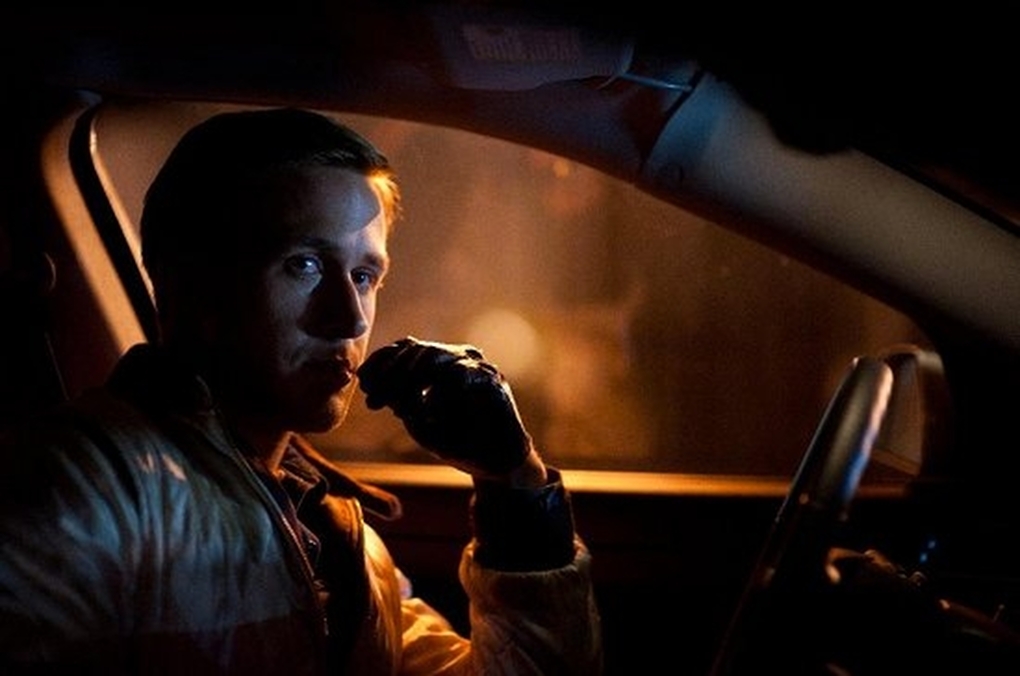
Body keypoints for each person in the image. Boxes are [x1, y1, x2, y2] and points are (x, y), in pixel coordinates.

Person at [0, 107, 602, 674]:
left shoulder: (340, 533)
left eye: (364, 275)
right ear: (192, 286)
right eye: (304, 265)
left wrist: (514, 485)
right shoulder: (76, 488)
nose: (351, 318)